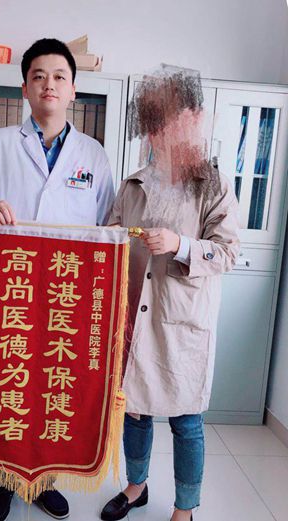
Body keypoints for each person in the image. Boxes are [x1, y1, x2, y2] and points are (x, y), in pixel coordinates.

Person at [0, 38, 115, 521]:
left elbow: (107, 223)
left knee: (52, 386)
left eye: (59, 76)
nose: (49, 84)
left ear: (73, 90)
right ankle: (3, 480)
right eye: (38, 76)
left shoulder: (93, 155)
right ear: (25, 88)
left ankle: (44, 479)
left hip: (66, 293)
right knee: (9, 381)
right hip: (11, 289)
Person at [100, 68, 240, 521]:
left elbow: (227, 253)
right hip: (133, 316)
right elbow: (108, 240)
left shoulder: (213, 184)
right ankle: (136, 486)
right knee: (135, 410)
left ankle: (184, 508)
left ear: (192, 118)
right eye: (154, 121)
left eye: (172, 118)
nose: (162, 131)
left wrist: (179, 244)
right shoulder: (133, 184)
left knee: (186, 420)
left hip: (182, 320)